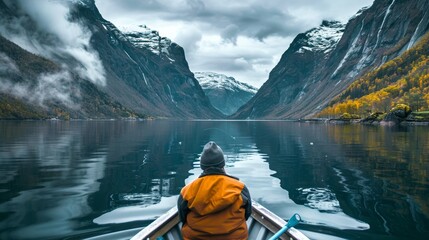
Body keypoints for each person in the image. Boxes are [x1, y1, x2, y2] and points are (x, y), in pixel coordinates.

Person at [177, 141, 252, 240]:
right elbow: (247, 214)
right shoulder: (240, 188)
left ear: (202, 166)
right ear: (222, 164)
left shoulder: (187, 191)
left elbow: (182, 218)